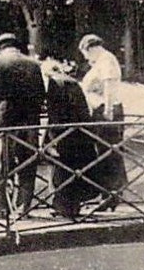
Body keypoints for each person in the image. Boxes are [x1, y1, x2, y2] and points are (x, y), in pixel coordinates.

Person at [0, 33, 46, 218]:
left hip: (5, 121)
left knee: (2, 164)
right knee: (27, 163)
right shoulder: (33, 64)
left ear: (0, 47)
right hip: (30, 121)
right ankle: (23, 208)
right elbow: (41, 93)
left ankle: (0, 208)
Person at [41, 59, 101, 219]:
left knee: (62, 170)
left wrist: (51, 139)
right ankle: (73, 207)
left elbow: (55, 115)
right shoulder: (72, 82)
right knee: (77, 170)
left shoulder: (54, 84)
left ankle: (64, 207)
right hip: (80, 134)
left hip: (65, 135)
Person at [78, 34, 126, 212]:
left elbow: (108, 85)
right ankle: (106, 193)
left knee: (109, 152)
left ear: (91, 48)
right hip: (101, 111)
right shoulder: (101, 62)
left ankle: (111, 195)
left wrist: (107, 110)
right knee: (103, 152)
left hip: (107, 112)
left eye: (85, 53)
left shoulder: (106, 60)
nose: (86, 58)